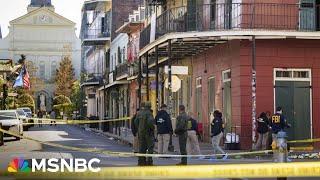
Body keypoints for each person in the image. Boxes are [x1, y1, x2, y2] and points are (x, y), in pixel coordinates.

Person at [135, 102, 155, 166]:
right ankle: (149, 161)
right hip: (148, 133)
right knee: (150, 147)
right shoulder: (149, 113)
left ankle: (141, 161)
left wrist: (139, 128)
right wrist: (153, 128)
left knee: (141, 147)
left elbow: (135, 122)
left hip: (141, 133)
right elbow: (150, 122)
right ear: (149, 107)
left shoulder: (139, 113)